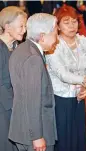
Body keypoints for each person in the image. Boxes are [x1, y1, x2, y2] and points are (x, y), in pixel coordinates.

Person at [46, 5, 86, 151]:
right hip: (60, 98)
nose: (72, 26)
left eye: (74, 21)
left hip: (79, 96)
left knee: (79, 136)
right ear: (58, 26)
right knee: (64, 138)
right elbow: (62, 74)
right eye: (66, 22)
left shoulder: (83, 41)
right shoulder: (54, 46)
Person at [8, 13, 58, 151]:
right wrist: (36, 136)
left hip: (23, 128)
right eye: (55, 33)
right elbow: (32, 100)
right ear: (42, 36)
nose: (57, 39)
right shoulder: (33, 59)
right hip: (34, 133)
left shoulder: (22, 49)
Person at [0, 6, 27, 151]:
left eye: (25, 26)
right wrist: (14, 106)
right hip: (4, 108)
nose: (24, 30)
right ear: (7, 26)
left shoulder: (16, 46)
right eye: (20, 26)